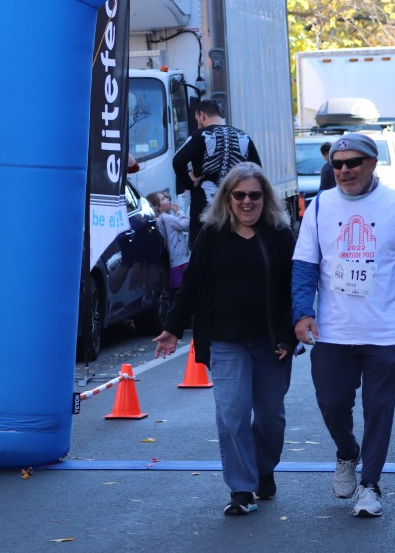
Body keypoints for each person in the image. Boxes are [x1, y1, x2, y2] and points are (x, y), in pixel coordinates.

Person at [292, 133, 395, 518]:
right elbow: (304, 267)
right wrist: (301, 311)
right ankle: (347, 452)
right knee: (331, 404)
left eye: (353, 163)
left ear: (373, 164)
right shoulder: (318, 207)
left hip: (385, 330)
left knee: (379, 409)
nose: (344, 171)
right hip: (333, 331)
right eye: (337, 165)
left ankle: (370, 484)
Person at [153, 163, 297, 516]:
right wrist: (172, 327)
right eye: (240, 195)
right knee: (232, 413)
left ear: (266, 198)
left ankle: (263, 469)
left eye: (255, 195)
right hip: (225, 340)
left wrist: (288, 335)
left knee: (270, 419)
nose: (247, 202)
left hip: (270, 342)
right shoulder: (212, 234)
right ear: (227, 198)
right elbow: (192, 284)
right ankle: (242, 488)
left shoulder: (279, 234)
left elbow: (296, 289)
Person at [172, 100, 262, 245]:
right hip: (236, 211)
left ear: (202, 115)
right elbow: (257, 171)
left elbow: (177, 160)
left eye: (197, 120)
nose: (198, 124)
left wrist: (190, 184)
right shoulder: (243, 136)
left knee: (202, 253)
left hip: (204, 211)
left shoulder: (200, 135)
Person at [146, 190, 190, 306]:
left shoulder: (160, 219)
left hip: (173, 259)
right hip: (180, 258)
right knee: (184, 289)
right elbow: (185, 225)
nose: (168, 200)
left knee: (176, 292)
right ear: (158, 207)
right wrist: (179, 211)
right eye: (163, 199)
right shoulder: (168, 218)